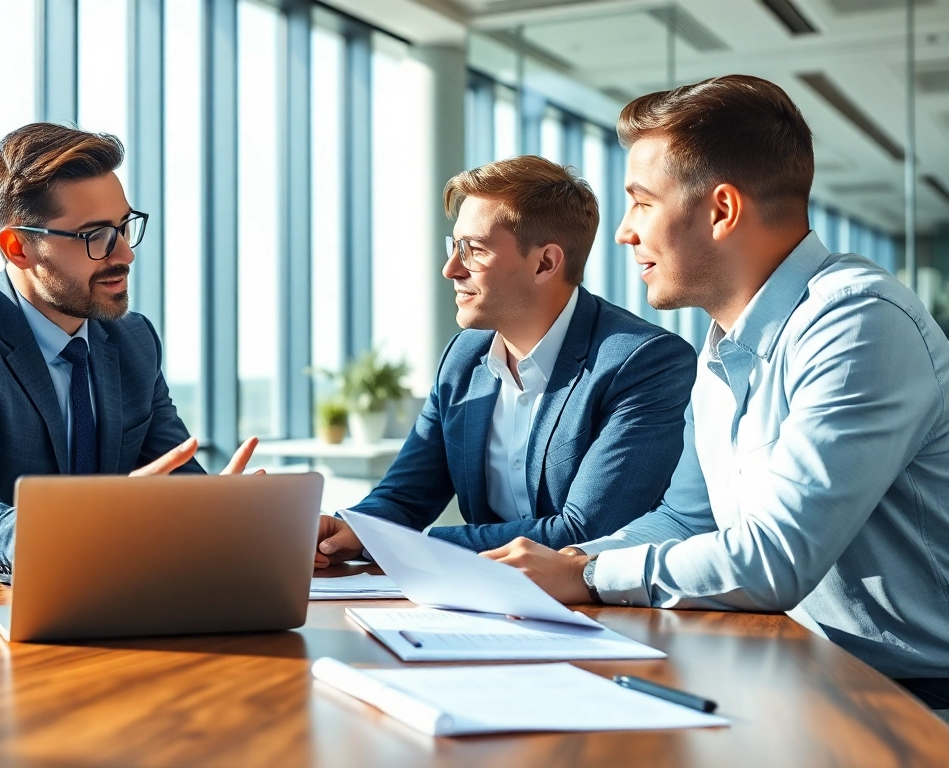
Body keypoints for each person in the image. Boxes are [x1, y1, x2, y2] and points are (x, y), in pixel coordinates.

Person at [483, 75, 949, 716]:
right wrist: (559, 562)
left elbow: (776, 556)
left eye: (641, 203)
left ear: (722, 210)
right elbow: (686, 519)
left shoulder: (857, 321)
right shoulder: (725, 343)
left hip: (905, 702)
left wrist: (587, 577)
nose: (623, 232)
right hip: (792, 671)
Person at [0, 123, 259, 596]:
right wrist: (88, 524)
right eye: (94, 236)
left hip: (72, 602)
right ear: (18, 247)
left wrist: (230, 518)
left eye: (124, 227)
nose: (124, 253)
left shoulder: (133, 341)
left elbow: (172, 479)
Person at [315, 156, 697, 567]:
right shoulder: (463, 358)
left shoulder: (644, 361)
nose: (451, 269)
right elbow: (404, 498)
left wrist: (406, 544)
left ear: (545, 263)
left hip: (605, 614)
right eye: (454, 245)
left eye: (473, 250)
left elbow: (584, 532)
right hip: (479, 605)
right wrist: (346, 531)